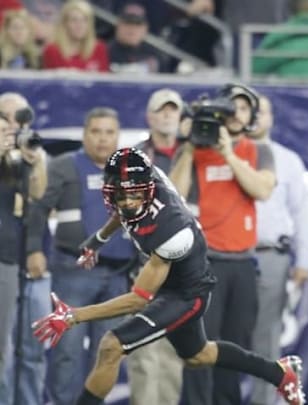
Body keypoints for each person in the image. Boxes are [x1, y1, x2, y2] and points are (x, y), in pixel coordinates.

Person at [30, 147, 306, 405]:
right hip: (172, 285)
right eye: (119, 195)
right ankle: (279, 373)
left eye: (134, 195)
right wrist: (97, 240)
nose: (127, 202)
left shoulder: (173, 231)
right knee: (199, 356)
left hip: (185, 295)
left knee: (111, 346)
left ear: (149, 191)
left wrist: (74, 316)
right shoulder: (137, 188)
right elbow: (123, 211)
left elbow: (138, 300)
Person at [169, 83, 276, 405]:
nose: (235, 114)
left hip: (242, 263)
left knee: (235, 346)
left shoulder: (259, 150)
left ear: (252, 117)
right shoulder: (196, 150)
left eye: (243, 108)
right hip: (204, 262)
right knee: (198, 346)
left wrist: (228, 153)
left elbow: (262, 189)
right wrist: (188, 148)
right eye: (231, 106)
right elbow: (174, 196)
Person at [24, 107, 135, 404]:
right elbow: (38, 210)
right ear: (84, 135)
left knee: (108, 351)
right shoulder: (65, 165)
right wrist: (34, 249)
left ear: (118, 136)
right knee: (67, 352)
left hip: (119, 273)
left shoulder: (129, 172)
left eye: (109, 132)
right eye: (95, 132)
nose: (102, 139)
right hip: (73, 271)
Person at [249, 95, 308, 405]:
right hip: (223, 258)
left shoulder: (287, 160)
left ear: (271, 117)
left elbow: (302, 213)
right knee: (218, 340)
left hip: (270, 255)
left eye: (262, 110)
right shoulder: (223, 156)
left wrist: (304, 260)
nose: (256, 117)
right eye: (250, 111)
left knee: (266, 342)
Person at [126, 88, 184, 405]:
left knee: (174, 354)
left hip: (184, 267)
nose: (167, 116)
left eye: (173, 110)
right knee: (145, 354)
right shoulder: (135, 157)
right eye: (161, 110)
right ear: (149, 117)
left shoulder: (194, 153)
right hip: (148, 263)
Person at [0, 107, 46, 404]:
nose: (6, 138)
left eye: (7, 133)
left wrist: (35, 162)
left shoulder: (12, 167)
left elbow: (38, 194)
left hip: (5, 259)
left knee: (2, 346)